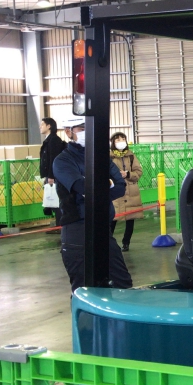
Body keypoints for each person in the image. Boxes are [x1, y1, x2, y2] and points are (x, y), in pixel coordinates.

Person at [52, 115, 132, 293]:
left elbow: (120, 186)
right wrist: (105, 184)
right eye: (82, 128)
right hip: (77, 230)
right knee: (84, 289)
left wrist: (96, 188)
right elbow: (83, 188)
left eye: (89, 127)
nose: (87, 132)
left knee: (122, 283)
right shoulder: (63, 161)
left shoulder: (101, 158)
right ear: (68, 132)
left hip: (103, 228)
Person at [109, 132, 142, 252]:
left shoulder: (131, 156)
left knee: (130, 219)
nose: (121, 141)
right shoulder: (109, 156)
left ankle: (126, 243)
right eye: (118, 140)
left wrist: (128, 174)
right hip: (115, 191)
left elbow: (138, 172)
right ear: (113, 142)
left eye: (123, 139)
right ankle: (109, 243)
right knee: (112, 218)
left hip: (131, 191)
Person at [39, 117, 67, 227]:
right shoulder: (48, 140)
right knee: (54, 201)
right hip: (51, 176)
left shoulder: (54, 140)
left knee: (57, 201)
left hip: (55, 176)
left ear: (49, 126)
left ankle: (61, 226)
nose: (40, 127)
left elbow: (53, 159)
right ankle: (58, 225)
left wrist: (51, 176)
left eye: (42, 124)